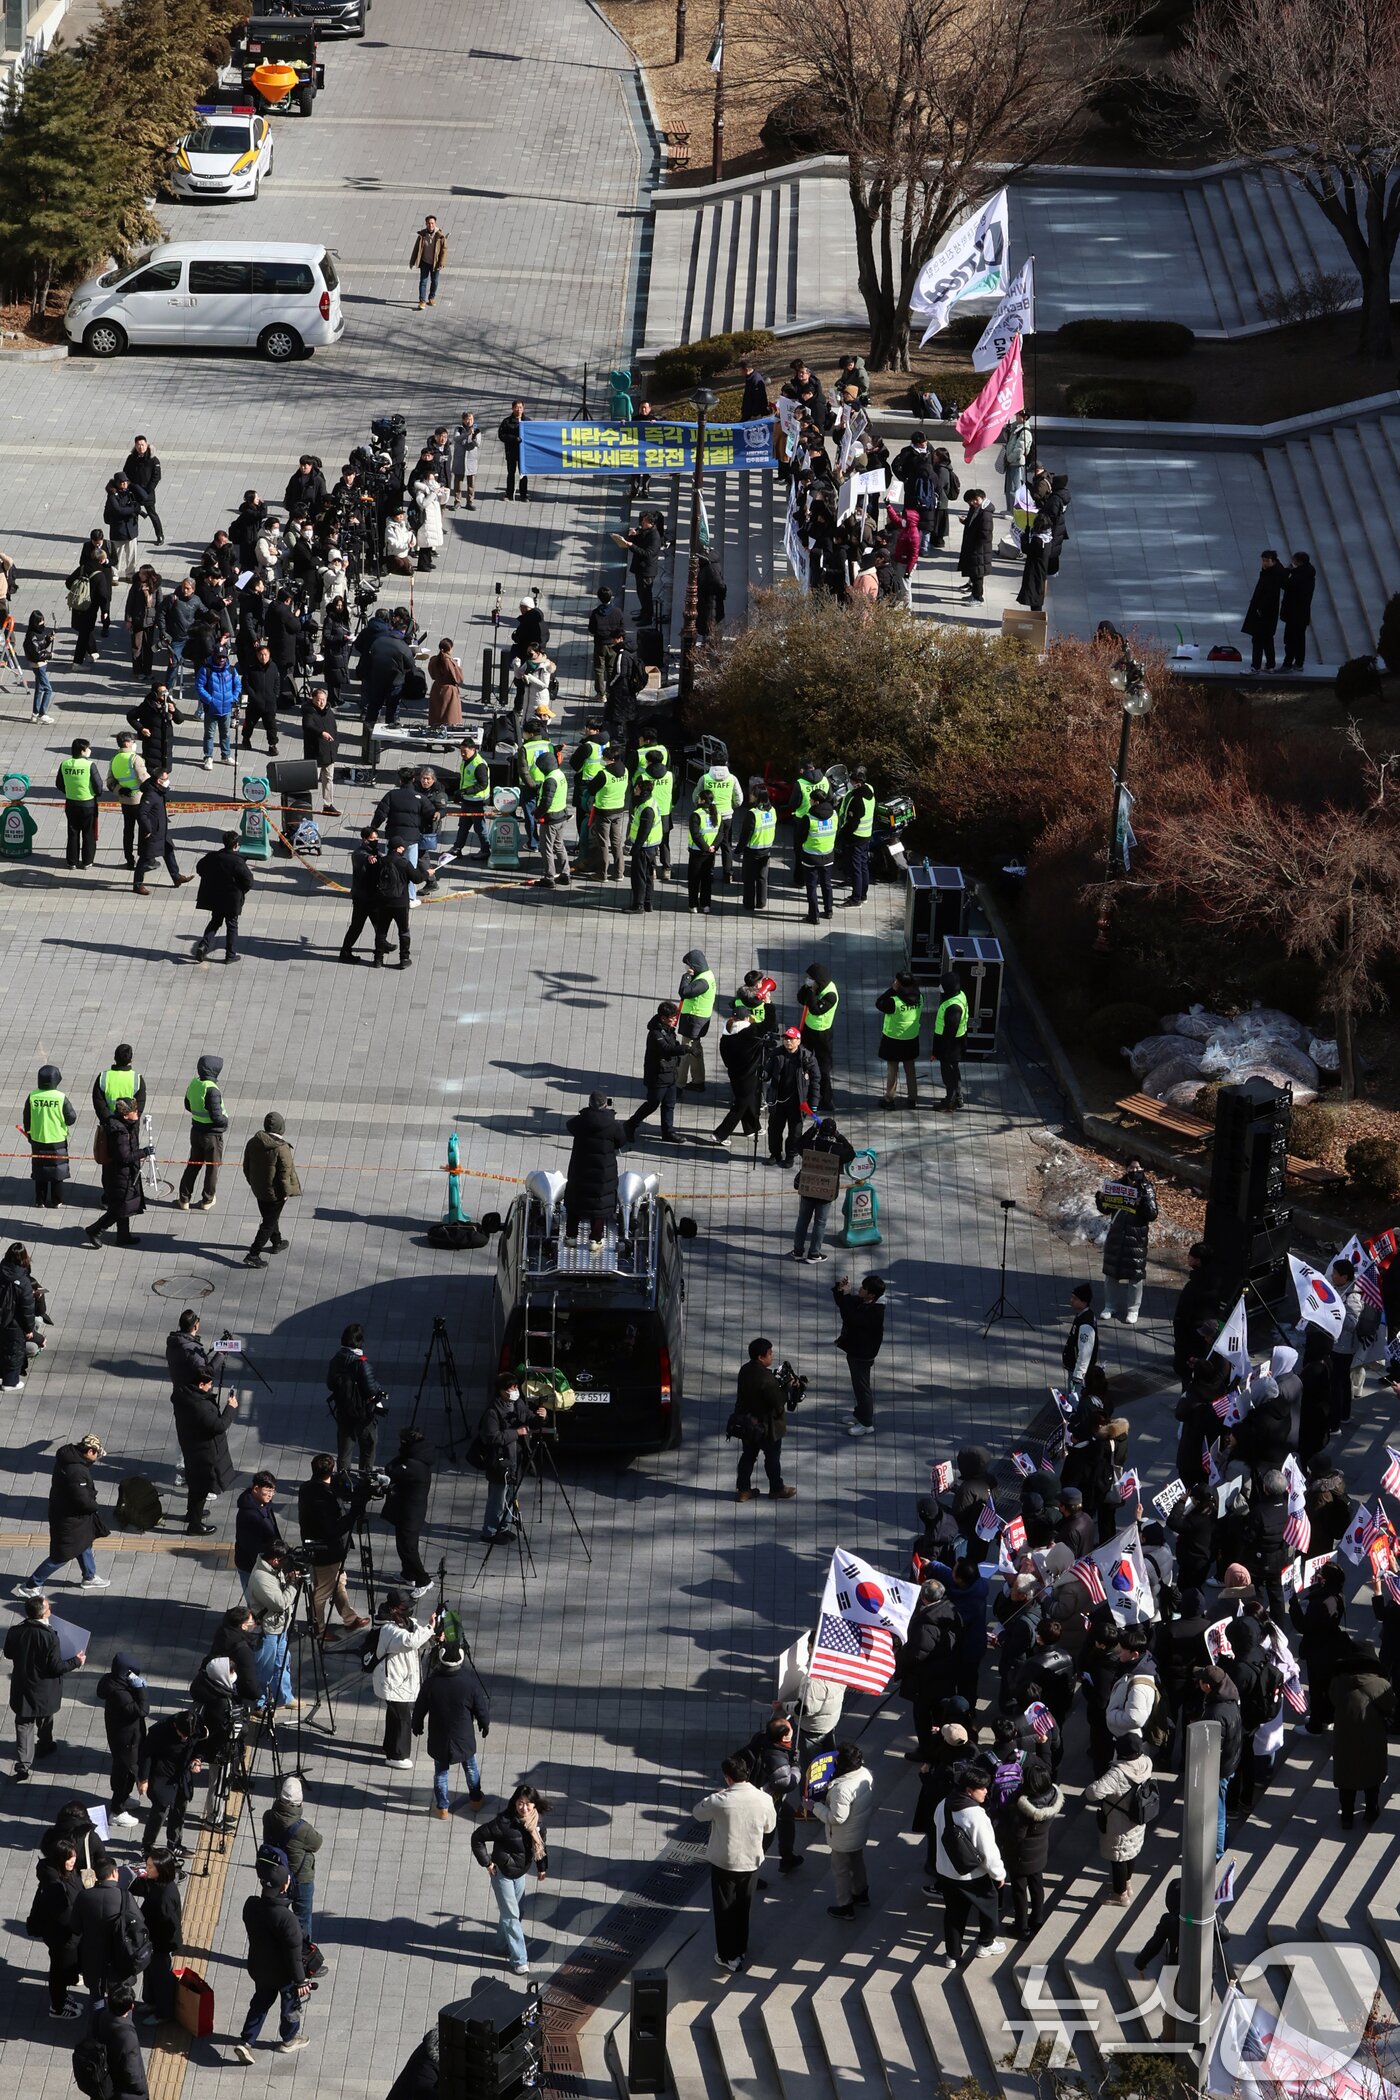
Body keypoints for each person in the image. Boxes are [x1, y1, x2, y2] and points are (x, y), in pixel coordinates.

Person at [693, 1756, 775, 1973]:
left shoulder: (720, 1800)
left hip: (725, 1862)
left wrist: (717, 1794)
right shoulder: (764, 1799)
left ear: (728, 1778)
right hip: (751, 1861)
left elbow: (697, 1813)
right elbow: (769, 1827)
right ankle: (741, 1948)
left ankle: (727, 1955)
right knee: (743, 1907)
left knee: (724, 1909)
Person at [232, 1863, 311, 2061]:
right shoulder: (287, 1919)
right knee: (290, 2006)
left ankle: (246, 2041)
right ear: (284, 1887)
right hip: (284, 1974)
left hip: (259, 1968)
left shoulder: (251, 1906)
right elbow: (293, 1955)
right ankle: (289, 2039)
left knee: (260, 2003)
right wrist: (301, 1980)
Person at [168, 1315, 237, 1535]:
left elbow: (201, 1370)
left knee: (195, 1479)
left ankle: (192, 1514)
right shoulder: (201, 1405)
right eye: (208, 1383)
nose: (210, 1385)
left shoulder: (175, 1345)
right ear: (195, 1326)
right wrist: (231, 1407)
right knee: (199, 1484)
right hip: (200, 1446)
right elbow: (218, 1425)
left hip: (188, 1431)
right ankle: (195, 1524)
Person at [4, 1595, 85, 1781]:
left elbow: (8, 1653)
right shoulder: (50, 1637)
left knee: (24, 1724)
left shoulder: (16, 1631)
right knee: (45, 1718)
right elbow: (56, 1667)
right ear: (42, 1613)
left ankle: (23, 1765)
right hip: (45, 1689)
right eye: (49, 1607)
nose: (51, 1610)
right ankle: (45, 1745)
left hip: (22, 1687)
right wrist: (76, 1661)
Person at [931, 1762, 1007, 1961]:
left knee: (954, 1915)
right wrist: (998, 1874)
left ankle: (952, 1956)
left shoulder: (944, 1804)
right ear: (969, 1790)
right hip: (973, 1875)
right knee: (989, 1907)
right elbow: (988, 1850)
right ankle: (986, 1943)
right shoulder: (976, 1815)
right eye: (981, 1788)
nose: (985, 1792)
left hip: (946, 1872)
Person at [471, 1783, 548, 1975]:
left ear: (534, 1804)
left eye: (528, 1804)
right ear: (514, 1802)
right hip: (502, 1874)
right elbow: (477, 1837)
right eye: (520, 1803)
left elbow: (541, 1846)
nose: (524, 1807)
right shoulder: (503, 1822)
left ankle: (500, 1945)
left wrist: (541, 1868)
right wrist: (487, 1863)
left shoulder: (537, 1822)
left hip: (520, 1873)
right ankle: (520, 1960)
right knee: (512, 1916)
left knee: (516, 1912)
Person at [20, 1434, 109, 1593]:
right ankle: (31, 1585)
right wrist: (94, 1506)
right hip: (69, 1520)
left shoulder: (69, 1458)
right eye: (97, 1453)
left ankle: (89, 1576)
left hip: (73, 1517)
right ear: (89, 1451)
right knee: (61, 1555)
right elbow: (82, 1500)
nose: (97, 1457)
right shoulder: (77, 1471)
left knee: (84, 1542)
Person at [297, 1454, 371, 1644]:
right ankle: (318, 1629)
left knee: (338, 1584)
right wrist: (353, 1513)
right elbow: (333, 1529)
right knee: (322, 1592)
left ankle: (350, 1618)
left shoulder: (307, 1488)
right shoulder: (324, 1497)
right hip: (327, 1551)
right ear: (332, 1469)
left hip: (325, 1549)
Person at [413, 1640, 491, 1819]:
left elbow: (419, 1708)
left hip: (439, 1738)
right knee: (471, 1768)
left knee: (441, 1773)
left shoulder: (431, 1683)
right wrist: (484, 1723)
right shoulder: (469, 1683)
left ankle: (442, 1808)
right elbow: (480, 1708)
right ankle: (476, 1800)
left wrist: (416, 1725)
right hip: (463, 1737)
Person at [1084, 1728, 1154, 1903]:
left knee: (1119, 1857)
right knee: (1131, 1852)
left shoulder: (1117, 1774)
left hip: (1118, 1821)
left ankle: (1120, 1894)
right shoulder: (1146, 1762)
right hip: (1137, 1817)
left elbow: (1092, 1793)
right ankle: (1127, 1883)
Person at [1329, 1639, 1394, 1826]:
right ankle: (1371, 1811)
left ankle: (1347, 1816)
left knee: (1346, 1779)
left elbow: (1332, 1699)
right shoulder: (1380, 1684)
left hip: (1344, 1739)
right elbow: (1391, 1705)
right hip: (1372, 1739)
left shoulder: (1338, 1683)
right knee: (1372, 1777)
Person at [811, 1742, 875, 1919]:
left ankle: (845, 1906)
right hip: (858, 1832)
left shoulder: (841, 1789)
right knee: (857, 1863)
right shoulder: (865, 1774)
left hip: (842, 1838)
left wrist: (814, 1807)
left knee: (841, 1872)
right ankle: (862, 1894)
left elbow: (836, 1818)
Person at [733, 1337, 796, 1503]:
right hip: (767, 1427)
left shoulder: (745, 1369)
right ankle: (776, 1488)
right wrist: (786, 1387)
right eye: (770, 1353)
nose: (772, 1356)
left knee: (748, 1456)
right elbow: (777, 1401)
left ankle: (743, 1490)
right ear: (761, 1357)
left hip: (747, 1424)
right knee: (772, 1458)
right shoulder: (766, 1379)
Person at [30, 1826, 83, 2018]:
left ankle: (61, 1996)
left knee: (61, 1969)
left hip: (64, 1935)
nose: (73, 1861)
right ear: (60, 1860)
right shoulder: (55, 1886)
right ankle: (58, 2006)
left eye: (74, 1857)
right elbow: (65, 1916)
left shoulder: (61, 1873)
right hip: (62, 1937)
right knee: (59, 1971)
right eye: (69, 1859)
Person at [262, 1776, 322, 1949]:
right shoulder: (303, 1829)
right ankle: (303, 1955)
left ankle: (275, 1952)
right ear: (299, 1802)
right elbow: (317, 1843)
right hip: (301, 1878)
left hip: (278, 1876)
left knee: (277, 1916)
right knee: (303, 1920)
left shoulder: (268, 1816)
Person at [790, 1114, 855, 1264]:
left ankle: (798, 1251)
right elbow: (851, 1152)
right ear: (833, 1133)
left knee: (802, 1220)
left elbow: (798, 1143)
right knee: (820, 1222)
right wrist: (840, 1137)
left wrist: (812, 1130)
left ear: (819, 1131)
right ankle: (814, 1253)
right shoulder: (838, 1150)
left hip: (808, 1189)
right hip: (826, 1192)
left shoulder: (810, 1145)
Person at [1096, 1163, 1157, 1323]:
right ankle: (1110, 1306)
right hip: (1116, 1236)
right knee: (1111, 1274)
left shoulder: (1147, 1189)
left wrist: (1142, 1202)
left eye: (1138, 1168)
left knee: (1135, 1276)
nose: (1135, 1171)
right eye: (1131, 1167)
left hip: (1136, 1237)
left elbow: (1152, 1214)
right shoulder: (1116, 1185)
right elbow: (1106, 1209)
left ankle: (1133, 1310)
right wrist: (1100, 1199)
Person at [95, 1653, 148, 1835]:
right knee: (125, 1774)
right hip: (126, 1742)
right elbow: (142, 1710)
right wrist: (140, 1690)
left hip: (126, 1739)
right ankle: (117, 1811)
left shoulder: (115, 1683)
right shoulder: (121, 1695)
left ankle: (123, 1799)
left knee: (127, 1771)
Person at [241, 1112, 302, 1268]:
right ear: (281, 1128)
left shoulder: (253, 1142)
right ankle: (253, 1254)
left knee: (270, 1217)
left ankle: (277, 1242)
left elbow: (246, 1166)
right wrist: (286, 1192)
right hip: (275, 1193)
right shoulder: (281, 1148)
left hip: (259, 1189)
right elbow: (285, 1173)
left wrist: (252, 1182)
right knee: (268, 1222)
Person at [564, 1091, 624, 1249]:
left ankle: (571, 1236)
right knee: (600, 1205)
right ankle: (595, 1240)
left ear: (590, 1104)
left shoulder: (580, 1121)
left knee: (575, 1202)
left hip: (580, 1170)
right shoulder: (613, 1125)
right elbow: (621, 1141)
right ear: (605, 1104)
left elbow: (569, 1125)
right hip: (604, 1172)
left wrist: (586, 1113)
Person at [86, 1096, 145, 1247]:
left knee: (124, 1206)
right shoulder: (120, 1132)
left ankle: (123, 1236)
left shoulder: (122, 1125)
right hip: (119, 1175)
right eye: (134, 1111)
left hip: (120, 1174)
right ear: (126, 1115)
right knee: (118, 1209)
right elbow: (125, 1157)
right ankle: (95, 1230)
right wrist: (144, 1152)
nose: (137, 1113)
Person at [132, 1852, 184, 2027]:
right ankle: (151, 2002)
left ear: (161, 1869)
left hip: (160, 1944)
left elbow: (171, 1925)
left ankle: (163, 2012)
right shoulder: (159, 1884)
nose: (146, 1869)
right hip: (153, 1941)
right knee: (150, 1973)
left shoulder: (164, 1896)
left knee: (161, 1978)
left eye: (149, 1867)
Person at [246, 1544, 297, 1710]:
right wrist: (293, 1585)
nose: (286, 1564)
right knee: (264, 1670)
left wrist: (288, 1580)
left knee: (282, 1663)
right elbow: (280, 1604)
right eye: (284, 1561)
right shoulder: (262, 1577)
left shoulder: (273, 1569)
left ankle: (283, 1698)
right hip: (267, 1631)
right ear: (275, 1560)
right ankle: (259, 1705)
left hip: (280, 1628)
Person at [833, 1274, 885, 1436]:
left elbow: (852, 1318)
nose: (859, 1289)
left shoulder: (875, 1312)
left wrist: (847, 1295)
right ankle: (859, 1414)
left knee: (862, 1388)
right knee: (858, 1386)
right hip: (855, 1351)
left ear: (872, 1294)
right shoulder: (862, 1302)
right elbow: (844, 1305)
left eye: (863, 1288)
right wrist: (841, 1290)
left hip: (862, 1355)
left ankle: (866, 1423)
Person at [624, 1002, 684, 1143]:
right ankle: (630, 1125)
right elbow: (666, 1049)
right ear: (663, 1018)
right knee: (653, 1103)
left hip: (670, 1073)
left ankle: (667, 1132)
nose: (675, 1020)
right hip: (658, 1075)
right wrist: (685, 1049)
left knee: (669, 1104)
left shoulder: (668, 1029)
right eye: (672, 1018)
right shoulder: (655, 1034)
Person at [383, 1427, 433, 1593]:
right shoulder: (415, 1456)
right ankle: (408, 1574)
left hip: (411, 1514)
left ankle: (423, 1580)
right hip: (405, 1510)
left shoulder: (413, 1464)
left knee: (409, 1548)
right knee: (402, 1544)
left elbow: (391, 1469)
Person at [192, 831, 253, 964]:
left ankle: (203, 945)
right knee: (232, 925)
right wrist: (241, 890)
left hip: (215, 897)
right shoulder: (238, 861)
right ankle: (230, 955)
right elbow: (248, 881)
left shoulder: (212, 856)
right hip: (232, 899)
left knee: (215, 921)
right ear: (236, 845)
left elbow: (200, 868)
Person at [176, 1054, 226, 1209]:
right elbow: (217, 1117)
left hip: (196, 1131)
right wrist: (225, 1121)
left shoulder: (195, 1083)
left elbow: (187, 1104)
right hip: (212, 1135)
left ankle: (184, 1199)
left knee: (193, 1164)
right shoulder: (212, 1090)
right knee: (212, 1167)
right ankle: (207, 1199)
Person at [24, 1065, 76, 1209]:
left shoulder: (32, 1096)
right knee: (57, 1171)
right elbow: (71, 1118)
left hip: (38, 1139)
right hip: (57, 1139)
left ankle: (39, 1200)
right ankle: (56, 1200)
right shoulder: (60, 1098)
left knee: (40, 1171)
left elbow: (26, 1118)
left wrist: (29, 1134)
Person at [132, 769, 188, 895]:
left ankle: (176, 876)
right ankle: (137, 884)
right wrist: (148, 829)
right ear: (158, 780)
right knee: (145, 858)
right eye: (165, 779)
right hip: (152, 832)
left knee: (168, 851)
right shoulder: (151, 795)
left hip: (162, 830)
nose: (167, 781)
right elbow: (142, 813)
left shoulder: (158, 791)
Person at [94, 1980, 150, 2097]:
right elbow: (131, 2071)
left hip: (106, 2079)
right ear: (131, 2007)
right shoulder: (128, 2036)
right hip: (124, 2092)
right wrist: (141, 2089)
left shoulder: (102, 2016)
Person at [876, 972, 923, 1109]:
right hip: (911, 1039)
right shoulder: (920, 997)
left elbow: (879, 1002)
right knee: (910, 1069)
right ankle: (912, 1098)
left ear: (899, 984)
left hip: (893, 1040)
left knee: (892, 1070)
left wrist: (892, 990)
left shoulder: (893, 1002)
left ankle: (889, 1099)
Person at [798, 963, 839, 1110]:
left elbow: (815, 1009)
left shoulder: (830, 994)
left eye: (810, 978)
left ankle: (826, 1098)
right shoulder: (815, 987)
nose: (808, 980)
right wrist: (807, 989)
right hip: (808, 1030)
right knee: (803, 1060)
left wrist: (812, 992)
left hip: (822, 1034)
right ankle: (804, 1093)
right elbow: (801, 999)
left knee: (823, 1067)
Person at [194, 634, 239, 768]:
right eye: (219, 657)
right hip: (211, 709)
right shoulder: (205, 670)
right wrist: (209, 700)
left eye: (224, 657)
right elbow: (199, 686)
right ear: (214, 656)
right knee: (209, 735)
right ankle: (208, 757)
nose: (221, 660)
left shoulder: (231, 670)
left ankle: (226, 756)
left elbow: (238, 685)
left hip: (226, 709)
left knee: (225, 734)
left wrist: (234, 698)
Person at [57, 736, 100, 868]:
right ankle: (87, 861)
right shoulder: (89, 765)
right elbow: (98, 785)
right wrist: (95, 794)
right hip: (88, 803)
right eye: (88, 748)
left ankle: (72, 862)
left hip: (71, 803)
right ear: (82, 750)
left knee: (73, 832)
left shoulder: (65, 764)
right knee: (88, 833)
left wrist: (70, 791)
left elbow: (59, 784)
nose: (89, 750)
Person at [1242, 549, 1286, 673]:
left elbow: (1268, 595)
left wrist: (1259, 609)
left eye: (1267, 561)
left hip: (1264, 614)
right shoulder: (1273, 572)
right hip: (1267, 614)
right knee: (1267, 639)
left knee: (1258, 639)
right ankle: (1270, 664)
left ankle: (1256, 666)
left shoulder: (1272, 575)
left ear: (1273, 561)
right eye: (1263, 560)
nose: (1264, 563)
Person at [931, 971, 969, 1112]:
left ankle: (950, 1101)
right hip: (957, 1043)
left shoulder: (953, 1007)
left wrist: (941, 1051)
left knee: (949, 1075)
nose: (940, 988)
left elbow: (949, 1032)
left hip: (951, 1046)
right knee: (954, 1071)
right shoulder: (960, 995)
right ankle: (958, 1098)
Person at [737, 781, 776, 912]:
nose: (750, 796)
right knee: (762, 878)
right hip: (767, 849)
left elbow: (745, 834)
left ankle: (749, 904)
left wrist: (738, 849)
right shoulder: (772, 811)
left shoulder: (752, 813)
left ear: (757, 797)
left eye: (752, 794)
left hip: (752, 850)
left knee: (749, 878)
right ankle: (761, 902)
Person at [957, 490, 995, 603]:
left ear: (981, 498)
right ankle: (974, 594)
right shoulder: (977, 509)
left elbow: (985, 534)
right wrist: (966, 522)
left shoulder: (985, 513)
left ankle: (978, 597)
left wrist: (974, 540)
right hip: (975, 548)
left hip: (979, 549)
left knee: (978, 575)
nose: (973, 503)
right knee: (974, 573)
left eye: (975, 500)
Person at [1280, 551, 1316, 669]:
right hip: (1302, 613)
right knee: (1300, 638)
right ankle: (1299, 662)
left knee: (1290, 639)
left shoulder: (1299, 576)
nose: (1292, 562)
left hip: (1294, 613)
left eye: (1294, 560)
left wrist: (1287, 571)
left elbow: (1286, 585)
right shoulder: (1308, 573)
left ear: (1299, 562)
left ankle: (1287, 663)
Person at [1063, 1282, 1099, 1396]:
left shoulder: (1085, 1325)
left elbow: (1085, 1352)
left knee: (1075, 1398)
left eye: (1075, 1298)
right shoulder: (1082, 1316)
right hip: (1074, 1368)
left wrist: (1078, 1375)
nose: (1071, 1300)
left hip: (1078, 1373)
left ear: (1083, 1301)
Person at [410, 213, 447, 308]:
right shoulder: (422, 235)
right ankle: (422, 300)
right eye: (428, 223)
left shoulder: (440, 236)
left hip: (435, 263)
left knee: (435, 281)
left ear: (435, 223)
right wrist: (412, 261)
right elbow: (416, 249)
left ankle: (431, 297)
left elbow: (444, 250)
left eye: (432, 223)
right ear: (426, 224)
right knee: (423, 281)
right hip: (425, 262)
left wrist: (441, 263)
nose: (430, 225)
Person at [427, 638, 464, 730]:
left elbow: (432, 673)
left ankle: (433, 733)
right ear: (450, 648)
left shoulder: (435, 659)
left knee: (436, 714)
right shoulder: (449, 661)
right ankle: (448, 736)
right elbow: (458, 678)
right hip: (449, 691)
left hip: (437, 688)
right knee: (450, 716)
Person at [498, 398, 528, 501]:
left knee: (523, 474)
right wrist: (513, 439)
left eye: (520, 407)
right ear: (512, 408)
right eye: (516, 407)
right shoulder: (506, 421)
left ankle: (524, 495)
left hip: (523, 453)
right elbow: (501, 435)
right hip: (511, 451)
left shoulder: (527, 421)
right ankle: (509, 494)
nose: (518, 410)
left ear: (523, 408)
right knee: (511, 474)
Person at [450, 412, 479, 509]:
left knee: (471, 484)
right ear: (463, 420)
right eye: (467, 419)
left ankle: (470, 502)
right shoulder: (458, 428)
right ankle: (457, 502)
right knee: (458, 482)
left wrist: (474, 436)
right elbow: (456, 439)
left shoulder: (477, 429)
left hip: (471, 460)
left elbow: (477, 444)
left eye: (471, 419)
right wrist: (467, 434)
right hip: (460, 459)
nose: (469, 421)